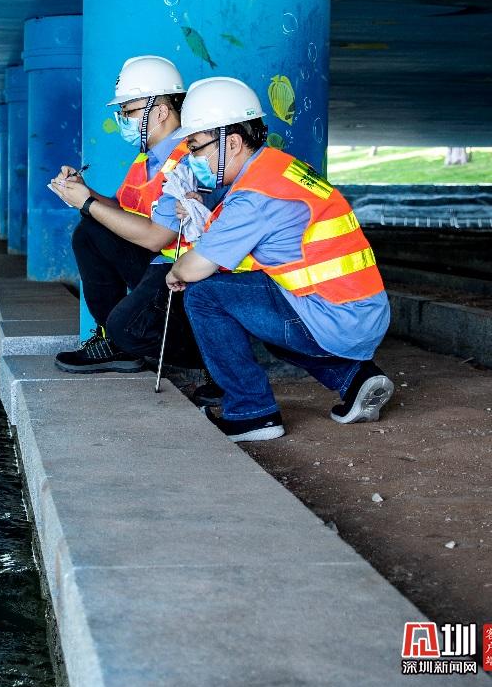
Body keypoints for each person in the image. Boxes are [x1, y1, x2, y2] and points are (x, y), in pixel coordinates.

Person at [164, 77, 394, 442]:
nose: (193, 159)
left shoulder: (254, 196)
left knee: (203, 294)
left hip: (332, 317)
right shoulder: (279, 169)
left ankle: (252, 413)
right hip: (359, 311)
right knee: (258, 305)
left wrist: (176, 272)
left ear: (232, 142)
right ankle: (354, 379)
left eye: (196, 148)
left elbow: (197, 267)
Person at [51, 56, 210, 375]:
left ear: (160, 112)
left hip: (186, 274)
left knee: (126, 327)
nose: (123, 119)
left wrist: (87, 204)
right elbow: (120, 212)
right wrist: (84, 192)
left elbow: (157, 237)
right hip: (156, 264)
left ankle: (211, 356)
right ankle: (115, 344)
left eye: (129, 111)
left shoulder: (187, 159)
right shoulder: (147, 159)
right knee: (90, 231)